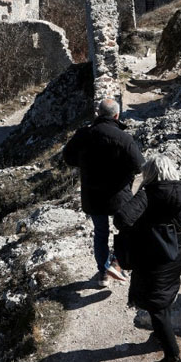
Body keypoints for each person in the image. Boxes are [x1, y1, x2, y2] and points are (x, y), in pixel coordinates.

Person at [116, 155, 181, 362]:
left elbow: (122, 219)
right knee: (164, 295)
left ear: (151, 174)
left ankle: (172, 357)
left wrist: (142, 231)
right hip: (175, 253)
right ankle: (162, 333)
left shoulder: (148, 194)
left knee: (155, 304)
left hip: (151, 255)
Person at [63, 98, 144, 287]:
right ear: (117, 115)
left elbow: (68, 157)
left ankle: (104, 273)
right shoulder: (123, 138)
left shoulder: (83, 135)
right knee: (129, 228)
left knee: (100, 232)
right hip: (119, 195)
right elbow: (139, 166)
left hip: (92, 195)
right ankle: (116, 262)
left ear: (98, 113)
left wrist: (84, 164)